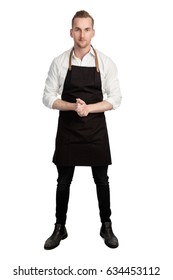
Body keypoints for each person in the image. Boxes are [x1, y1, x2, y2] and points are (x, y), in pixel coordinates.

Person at [43, 10, 122, 250]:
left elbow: (116, 98)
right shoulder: (59, 62)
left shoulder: (105, 62)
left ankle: (106, 225)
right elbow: (47, 97)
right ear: (71, 32)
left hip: (96, 131)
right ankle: (60, 227)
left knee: (102, 180)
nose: (82, 35)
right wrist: (71, 106)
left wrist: (89, 109)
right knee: (63, 181)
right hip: (68, 130)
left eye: (86, 29)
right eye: (77, 29)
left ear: (93, 32)